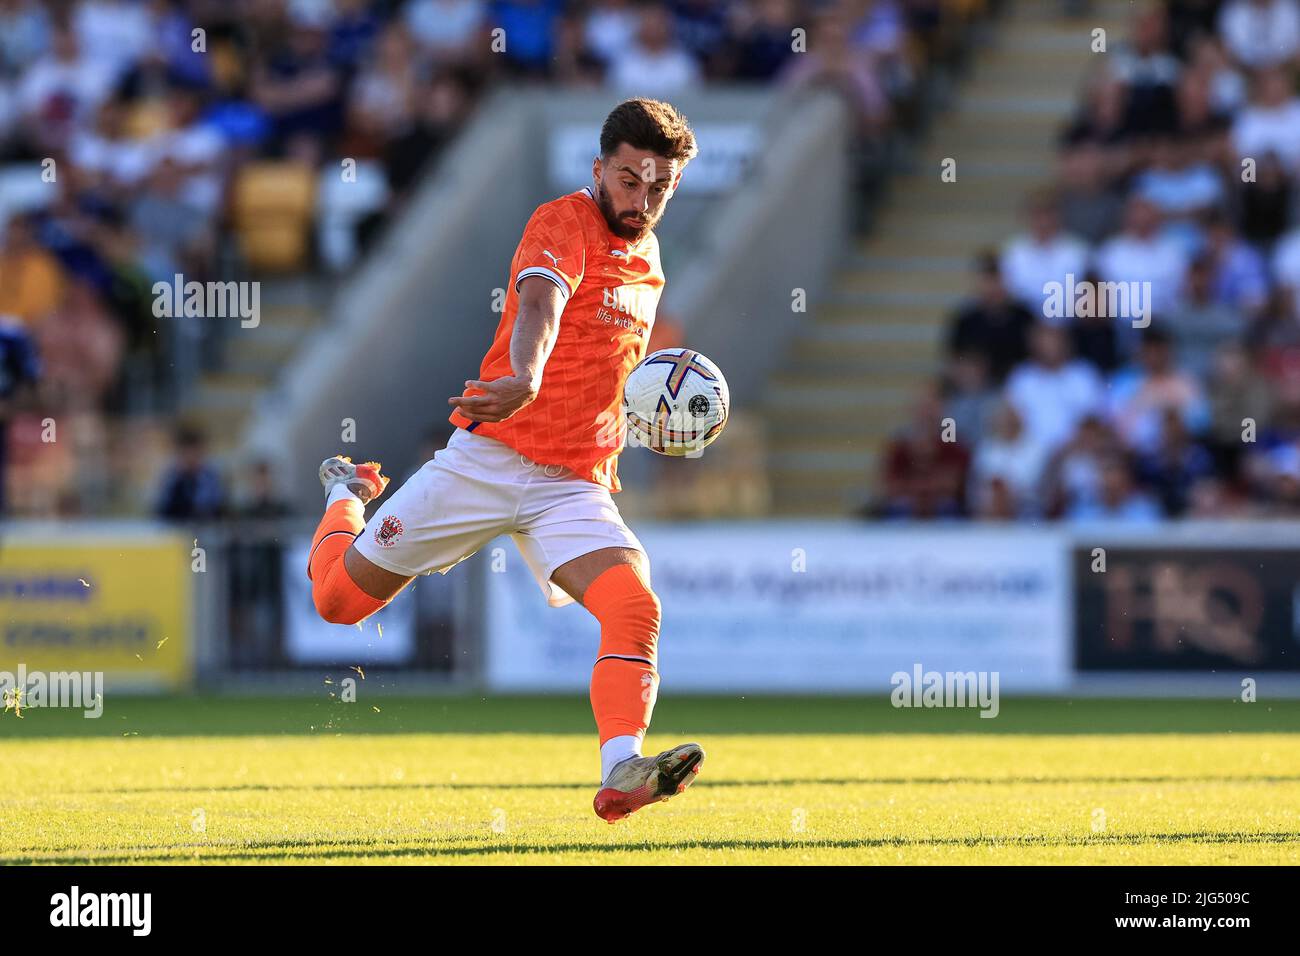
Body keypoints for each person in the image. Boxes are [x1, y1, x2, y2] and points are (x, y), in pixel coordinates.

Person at [304, 98, 703, 823]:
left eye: (658, 188)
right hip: (490, 458)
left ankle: (622, 772)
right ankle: (344, 494)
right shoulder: (563, 221)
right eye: (628, 181)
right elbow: (541, 303)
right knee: (337, 603)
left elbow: (616, 369)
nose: (641, 201)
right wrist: (525, 375)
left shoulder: (649, 260)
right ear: (599, 170)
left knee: (635, 606)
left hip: (575, 483)